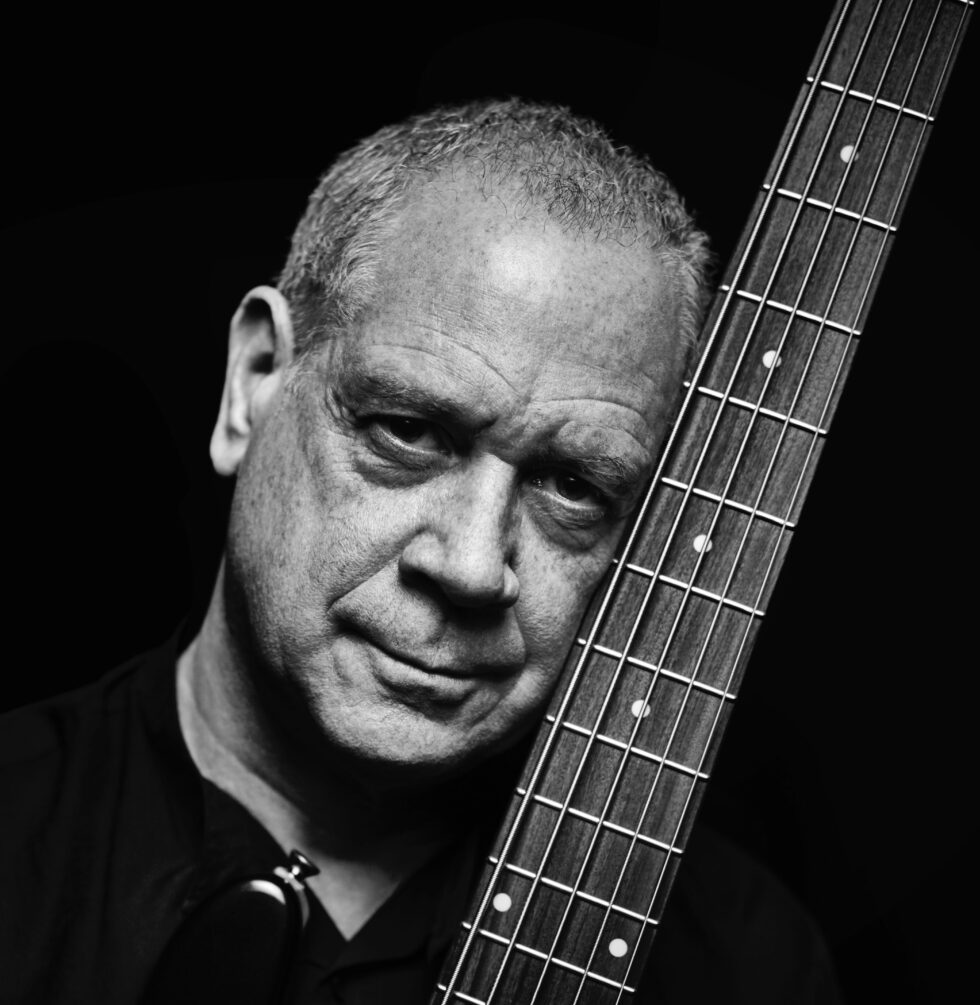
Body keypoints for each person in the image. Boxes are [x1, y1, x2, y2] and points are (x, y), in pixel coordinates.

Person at [0, 99, 841, 1003]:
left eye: (573, 488)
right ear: (253, 386)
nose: (474, 566)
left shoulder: (751, 965)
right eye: (406, 430)